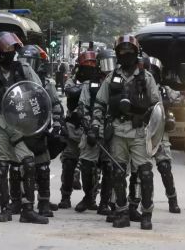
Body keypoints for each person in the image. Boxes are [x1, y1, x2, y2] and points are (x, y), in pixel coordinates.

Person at [0, 31, 49, 224]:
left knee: (28, 162)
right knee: (2, 166)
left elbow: (39, 92)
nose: (10, 52)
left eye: (13, 49)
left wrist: (41, 124)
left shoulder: (24, 70)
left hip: (20, 124)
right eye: (7, 49)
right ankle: (5, 208)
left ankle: (28, 209)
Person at [92, 35, 161, 230]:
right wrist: (95, 126)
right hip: (117, 131)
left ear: (136, 53)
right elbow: (99, 103)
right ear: (117, 54)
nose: (126, 54)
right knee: (118, 173)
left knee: (145, 174)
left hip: (139, 132)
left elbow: (157, 107)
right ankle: (121, 212)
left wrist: (150, 124)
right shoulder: (111, 77)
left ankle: (146, 213)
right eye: (122, 51)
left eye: (129, 50)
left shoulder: (146, 78)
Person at [18, 45, 64, 218]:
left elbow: (56, 105)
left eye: (31, 62)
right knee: (20, 168)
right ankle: (20, 200)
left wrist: (58, 125)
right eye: (24, 61)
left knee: (43, 167)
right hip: (20, 130)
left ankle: (44, 201)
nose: (27, 66)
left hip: (39, 130)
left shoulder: (45, 83)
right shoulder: (15, 82)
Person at [139, 56, 181, 214]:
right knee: (142, 170)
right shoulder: (138, 87)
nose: (151, 74)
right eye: (148, 71)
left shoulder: (165, 90)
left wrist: (172, 106)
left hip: (160, 134)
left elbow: (179, 98)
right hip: (141, 133)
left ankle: (172, 199)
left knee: (165, 167)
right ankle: (138, 200)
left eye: (154, 71)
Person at [76, 49, 115, 215]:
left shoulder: (119, 83)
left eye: (112, 64)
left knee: (109, 168)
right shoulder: (89, 84)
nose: (108, 68)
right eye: (105, 64)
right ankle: (88, 196)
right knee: (86, 167)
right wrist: (88, 127)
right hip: (92, 130)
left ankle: (105, 202)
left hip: (111, 132)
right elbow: (82, 107)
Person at [59, 53, 91, 209]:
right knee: (69, 163)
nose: (89, 70)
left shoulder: (98, 81)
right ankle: (65, 196)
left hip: (90, 129)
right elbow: (71, 92)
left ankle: (90, 197)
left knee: (90, 166)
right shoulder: (73, 81)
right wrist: (86, 84)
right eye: (86, 66)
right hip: (73, 128)